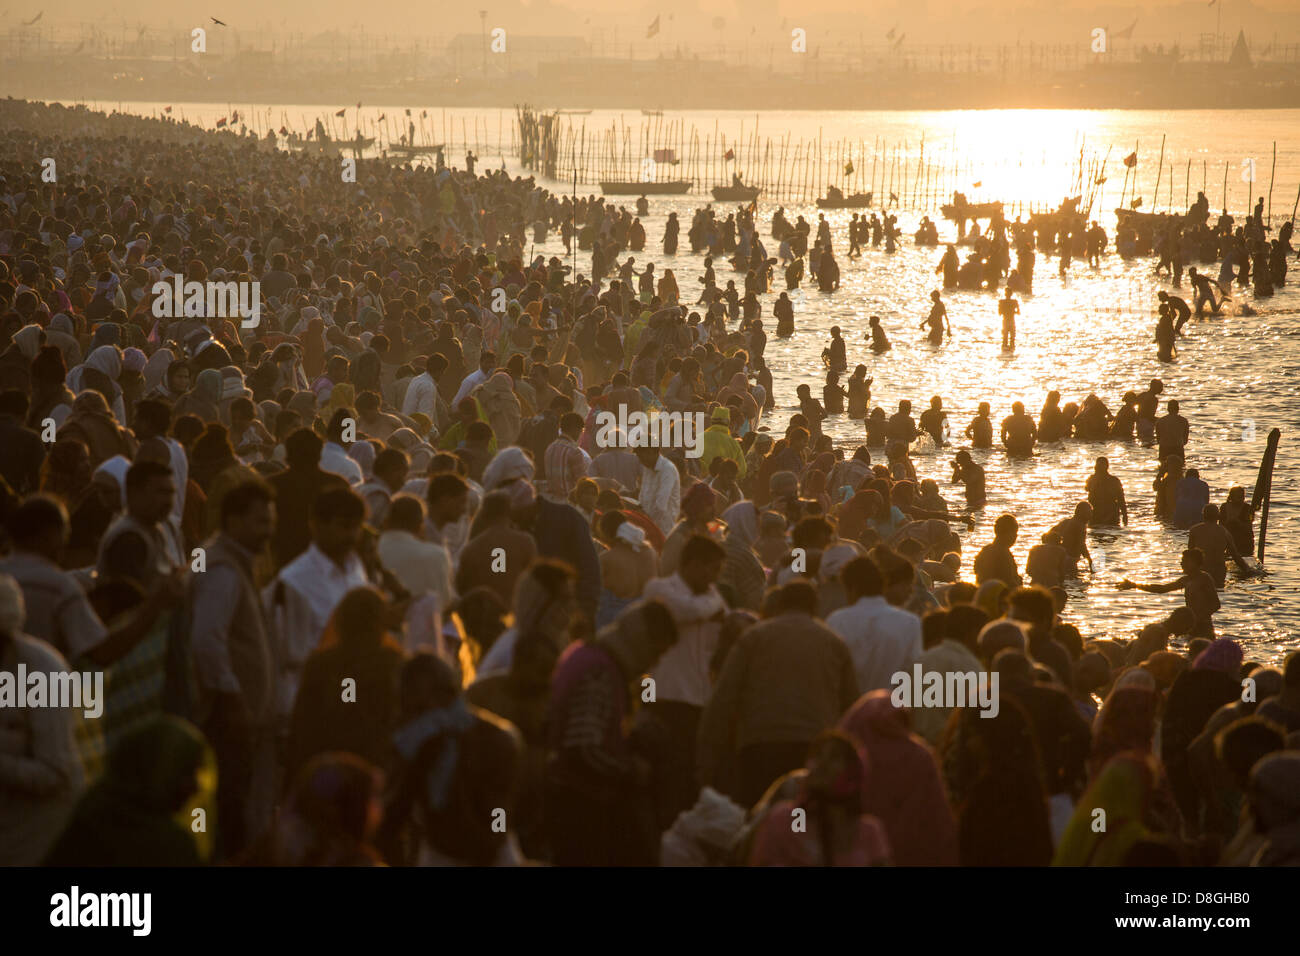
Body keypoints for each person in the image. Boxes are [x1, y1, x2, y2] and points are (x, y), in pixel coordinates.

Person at [698, 581, 859, 807]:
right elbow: (851, 705)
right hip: (814, 749)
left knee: (759, 823)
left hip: (760, 746)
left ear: (780, 605)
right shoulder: (834, 642)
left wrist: (708, 754)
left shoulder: (754, 638)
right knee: (806, 823)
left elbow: (723, 698)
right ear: (815, 607)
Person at [827, 555, 922, 694]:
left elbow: (831, 674)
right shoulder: (910, 622)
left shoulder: (836, 620)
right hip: (891, 709)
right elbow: (915, 676)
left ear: (851, 589)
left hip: (849, 711)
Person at [1119, 548, 1220, 638]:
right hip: (1190, 627)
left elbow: (1216, 604)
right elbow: (1162, 589)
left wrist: (1197, 619)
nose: (1182, 564)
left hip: (1204, 626)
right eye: (1182, 561)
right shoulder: (1185, 580)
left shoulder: (1204, 578)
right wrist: (1135, 585)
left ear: (1195, 562)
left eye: (1185, 561)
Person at [974, 514, 1022, 589]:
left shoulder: (986, 550)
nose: (1016, 536)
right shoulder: (1003, 553)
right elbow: (1009, 582)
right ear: (1007, 533)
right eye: (1014, 532)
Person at [1085, 457, 1128, 527]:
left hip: (1110, 515)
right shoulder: (1092, 479)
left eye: (1101, 465)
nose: (1099, 467)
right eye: (1098, 466)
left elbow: (1121, 500)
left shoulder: (1113, 481)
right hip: (1096, 514)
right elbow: (1087, 489)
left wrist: (1125, 516)